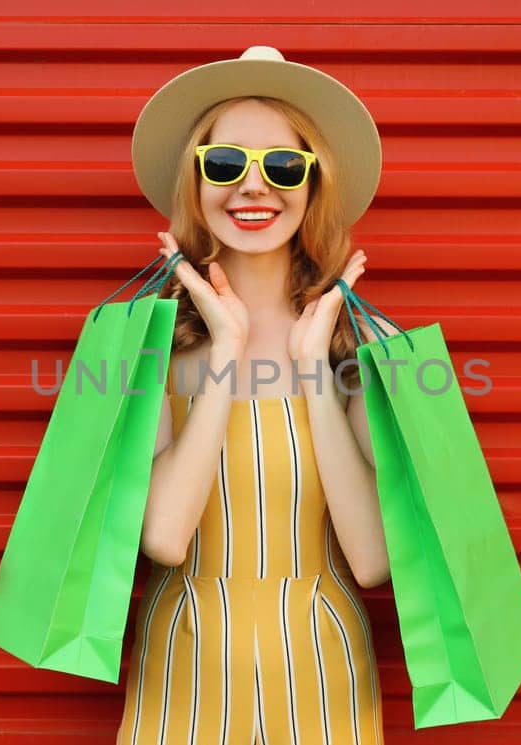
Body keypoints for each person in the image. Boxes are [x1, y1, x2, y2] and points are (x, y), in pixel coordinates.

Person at [116, 46, 391, 745]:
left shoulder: (365, 343)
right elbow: (165, 538)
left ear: (312, 183)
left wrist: (310, 368)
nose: (254, 187)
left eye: (284, 166)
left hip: (325, 677)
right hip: (182, 674)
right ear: (196, 179)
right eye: (227, 163)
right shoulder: (140, 341)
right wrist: (227, 350)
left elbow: (371, 559)